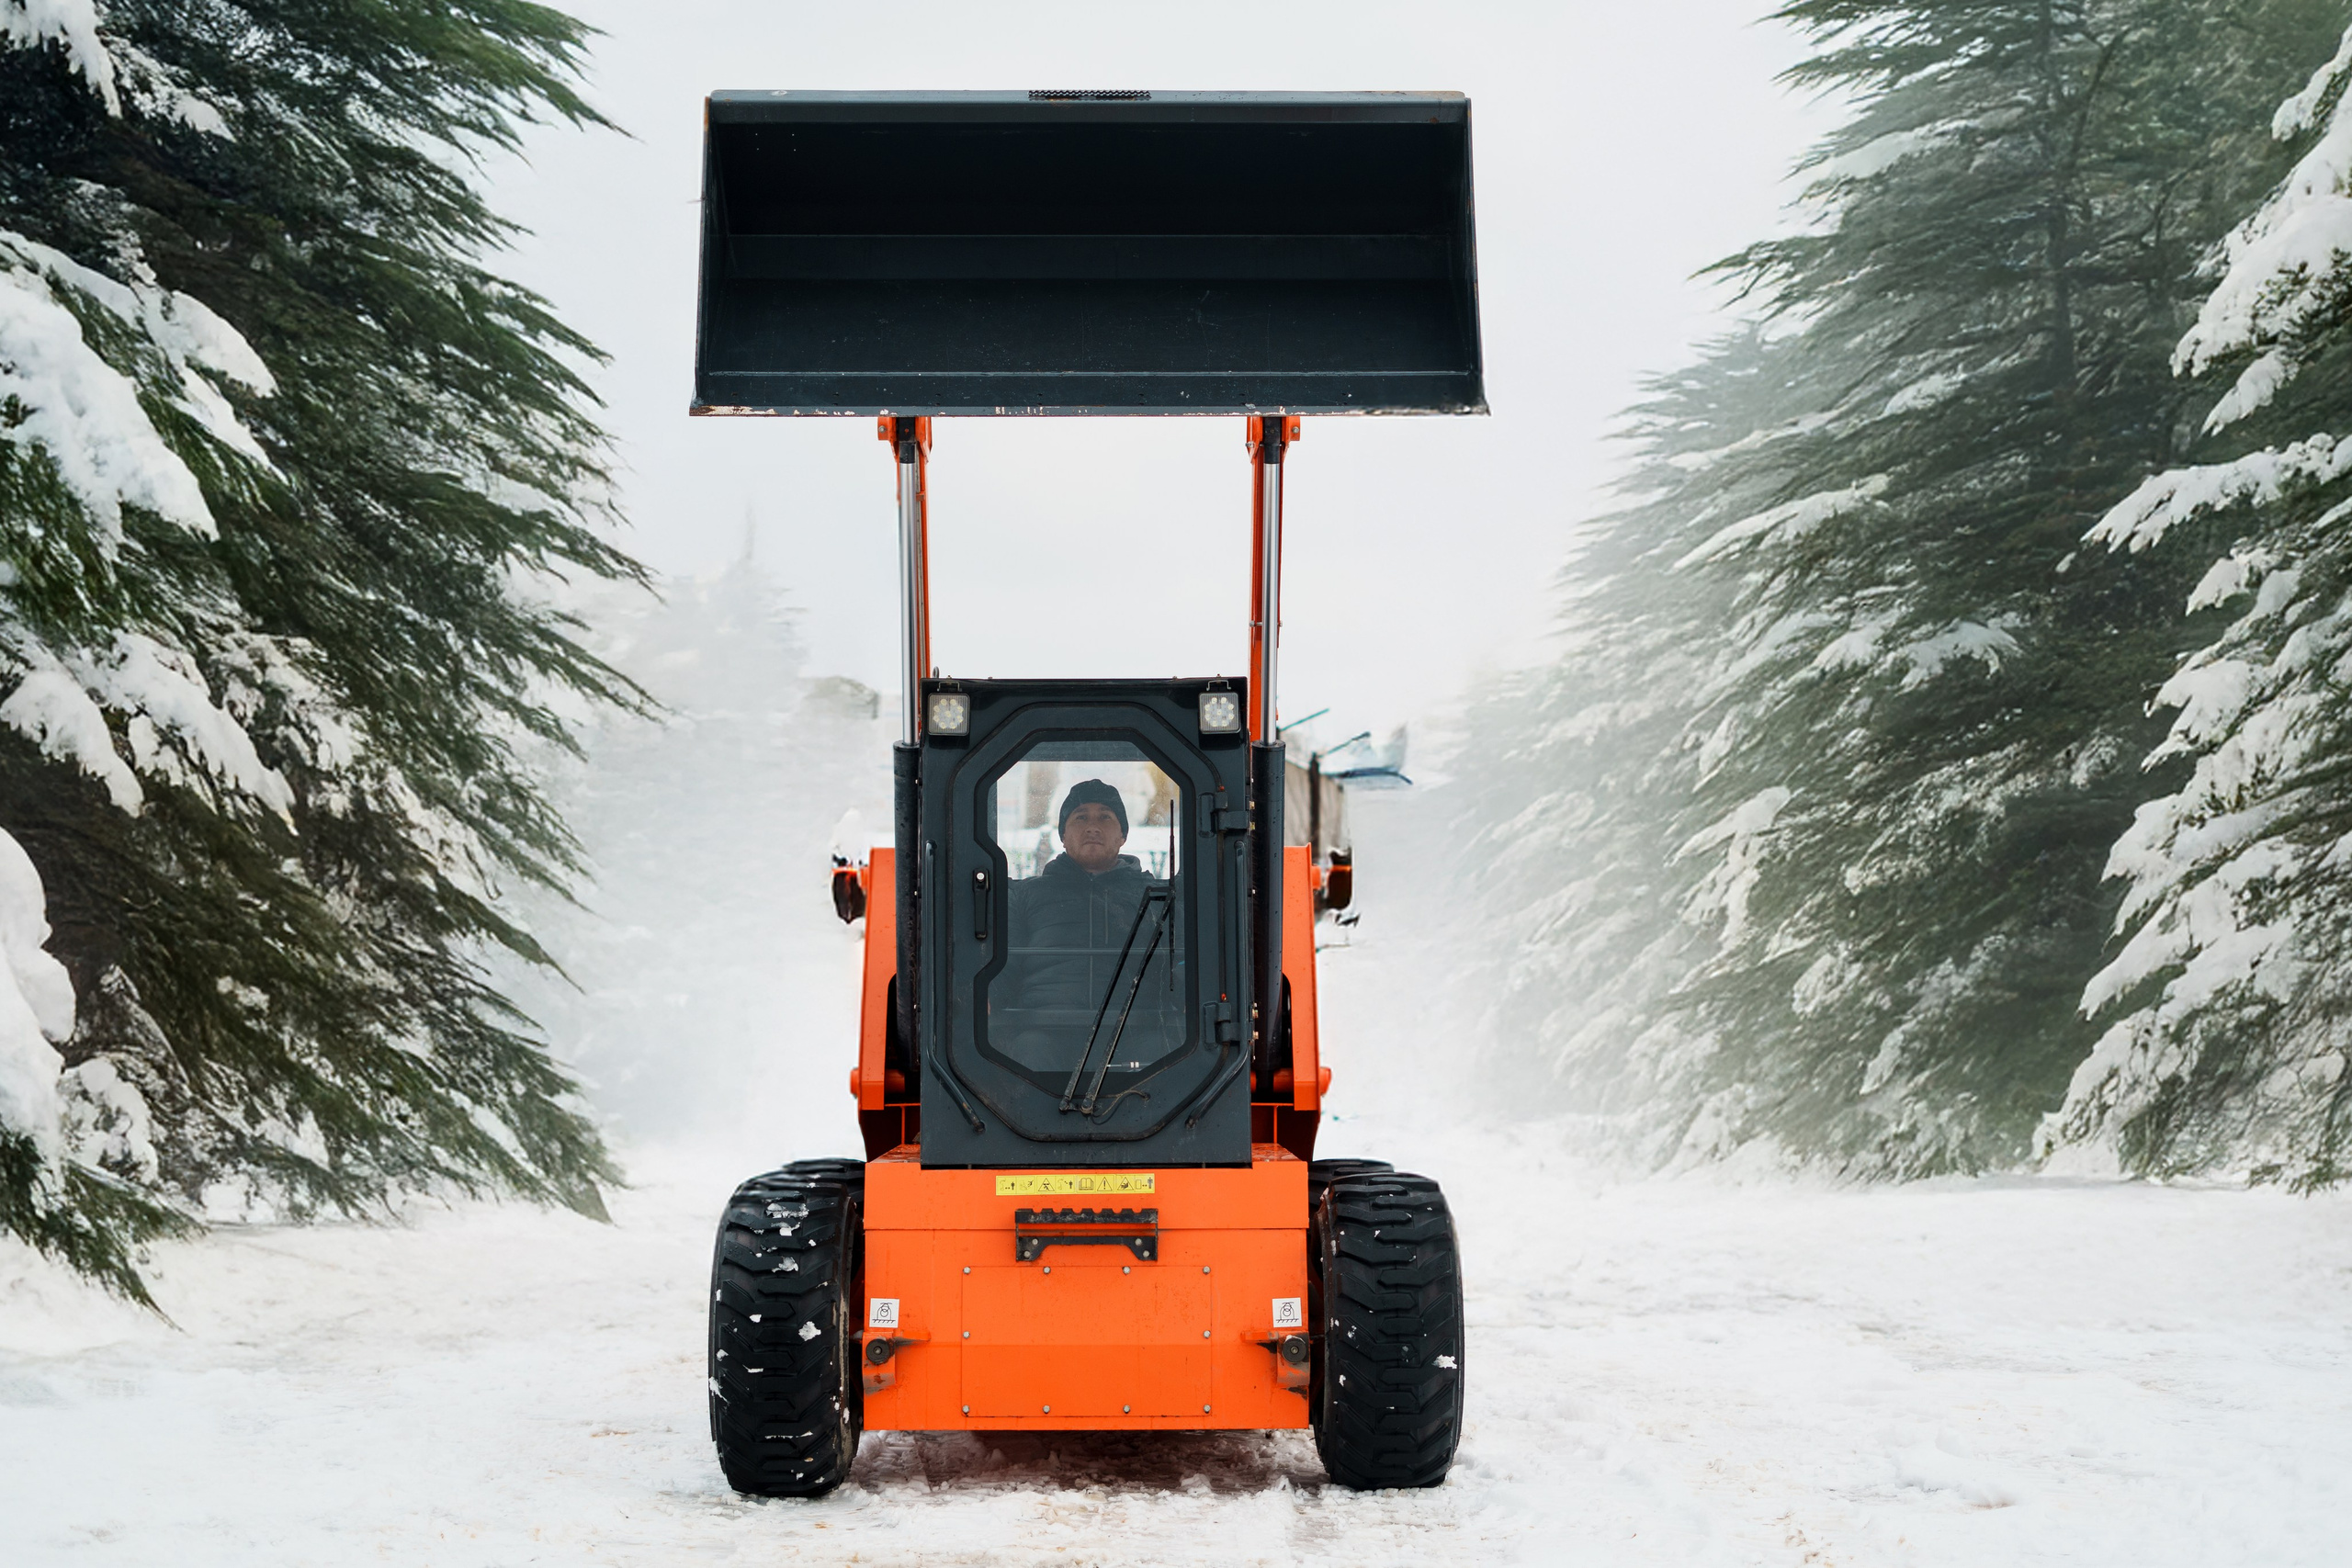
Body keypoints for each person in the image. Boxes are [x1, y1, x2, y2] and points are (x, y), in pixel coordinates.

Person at [998, 780, 1171, 1064]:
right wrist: (987, 999)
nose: (1093, 826)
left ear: (1123, 835)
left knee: (1161, 1054)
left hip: (1134, 1029)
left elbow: (1174, 968)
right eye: (1081, 817)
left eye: (1105, 816)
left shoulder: (1155, 897)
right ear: (1063, 836)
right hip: (1046, 1029)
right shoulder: (1025, 895)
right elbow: (1003, 966)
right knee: (1029, 1051)